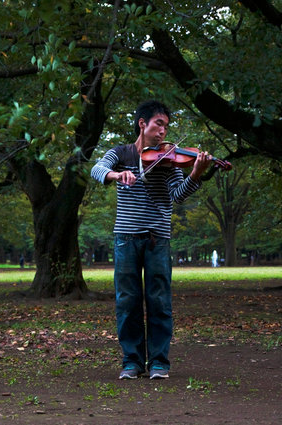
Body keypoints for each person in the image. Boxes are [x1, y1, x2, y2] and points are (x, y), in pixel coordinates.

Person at [91, 100, 213, 380]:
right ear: (142, 123)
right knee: (127, 301)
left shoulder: (169, 159)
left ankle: (159, 362)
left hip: (158, 237)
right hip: (125, 238)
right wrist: (116, 174)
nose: (163, 132)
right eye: (159, 124)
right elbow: (97, 169)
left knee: (159, 301)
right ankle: (131, 362)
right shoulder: (120, 153)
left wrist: (195, 173)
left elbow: (177, 195)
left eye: (166, 126)